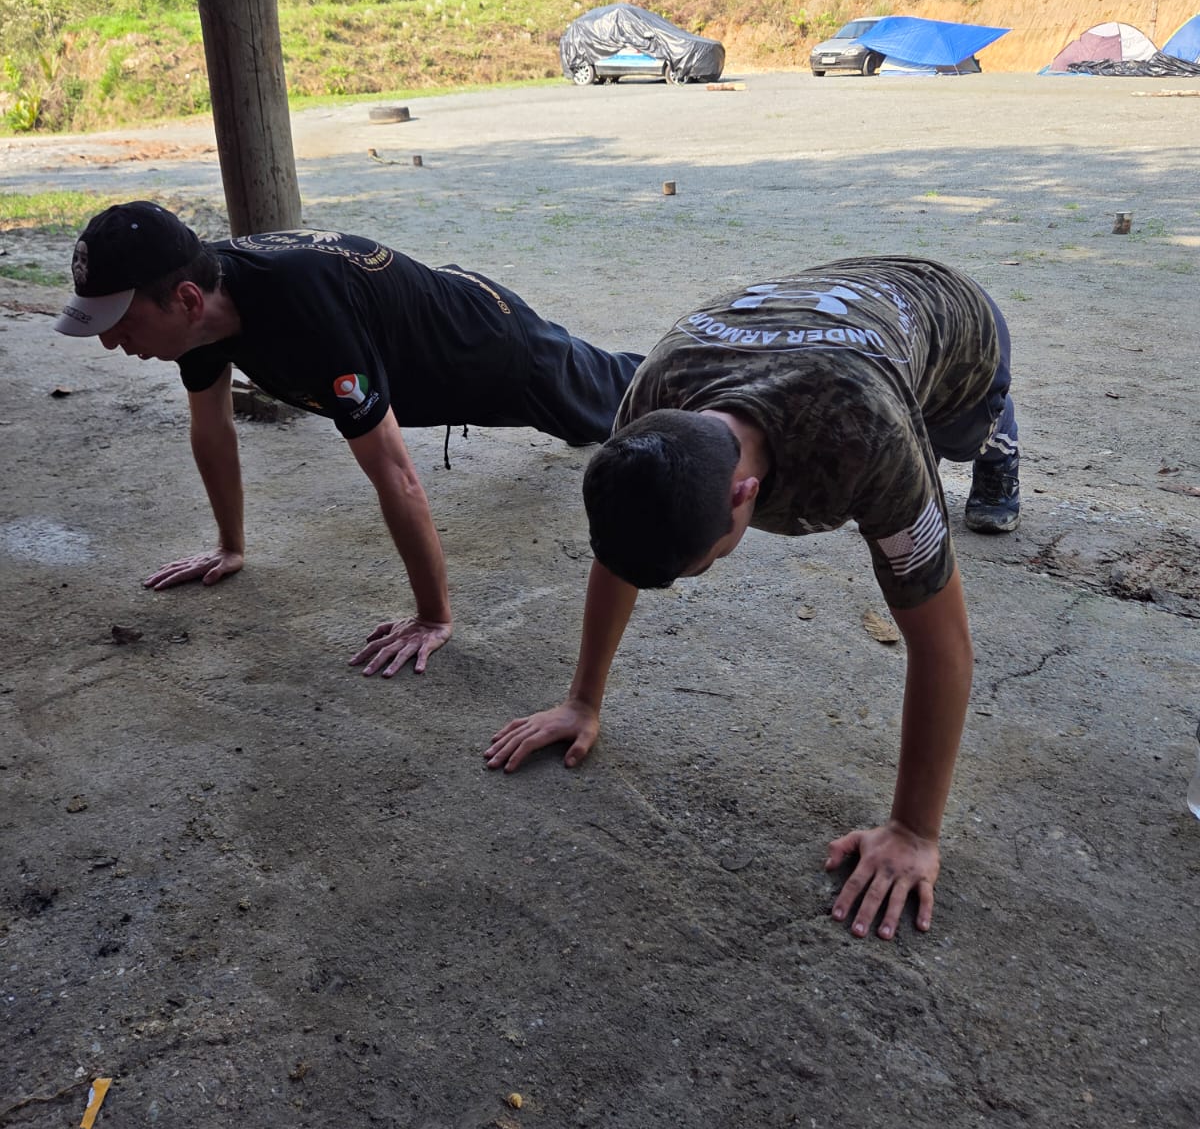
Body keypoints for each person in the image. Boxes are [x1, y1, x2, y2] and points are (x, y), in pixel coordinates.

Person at [486, 256, 1020, 941]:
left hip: (956, 327)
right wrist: (581, 700)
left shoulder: (867, 436)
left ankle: (1001, 437)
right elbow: (625, 540)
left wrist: (914, 831)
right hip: (821, 318)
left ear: (745, 495)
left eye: (699, 567)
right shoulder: (653, 402)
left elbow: (941, 641)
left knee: (957, 442)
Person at [54, 201, 642, 674]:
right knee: (597, 411)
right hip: (426, 346)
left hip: (493, 349)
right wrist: (230, 546)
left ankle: (714, 365)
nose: (112, 343)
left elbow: (396, 475)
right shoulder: (199, 313)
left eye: (122, 324)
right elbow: (212, 426)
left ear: (184, 300)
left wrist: (433, 618)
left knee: (627, 399)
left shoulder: (305, 317)